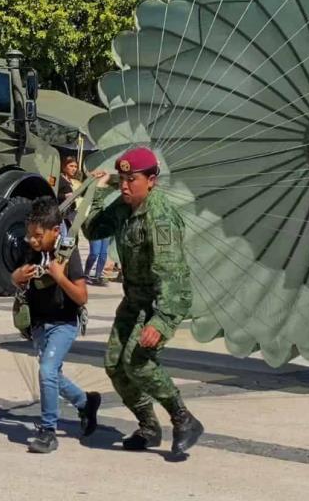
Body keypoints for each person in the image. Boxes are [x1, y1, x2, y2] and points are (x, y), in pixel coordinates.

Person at [83, 147, 203, 456]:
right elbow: (93, 229)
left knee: (138, 363)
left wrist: (161, 321)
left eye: (131, 179)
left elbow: (173, 275)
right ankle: (148, 426)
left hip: (162, 301)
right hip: (134, 300)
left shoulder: (159, 216)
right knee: (114, 364)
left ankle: (184, 419)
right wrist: (98, 192)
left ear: (151, 181)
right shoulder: (125, 205)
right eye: (121, 178)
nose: (124, 185)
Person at [11, 197, 101, 454]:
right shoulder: (31, 250)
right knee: (52, 375)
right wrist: (15, 277)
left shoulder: (67, 253)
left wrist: (60, 277)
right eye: (30, 235)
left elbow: (82, 296)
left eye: (38, 236)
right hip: (39, 324)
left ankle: (48, 430)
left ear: (55, 230)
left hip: (63, 323)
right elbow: (17, 276)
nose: (33, 240)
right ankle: (86, 403)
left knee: (47, 371)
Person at [56, 156, 80, 228]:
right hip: (59, 215)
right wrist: (65, 196)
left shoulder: (72, 181)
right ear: (64, 167)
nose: (74, 169)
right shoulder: (59, 179)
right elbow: (51, 195)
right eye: (71, 166)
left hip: (68, 215)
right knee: (64, 237)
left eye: (75, 167)